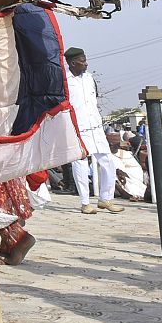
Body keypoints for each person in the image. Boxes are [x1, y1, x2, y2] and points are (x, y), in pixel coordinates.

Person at [64, 48, 122, 214]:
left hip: (95, 126)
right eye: (82, 61)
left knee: (108, 161)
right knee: (80, 163)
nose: (86, 63)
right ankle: (85, 202)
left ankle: (105, 199)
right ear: (73, 63)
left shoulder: (89, 78)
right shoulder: (65, 80)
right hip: (78, 127)